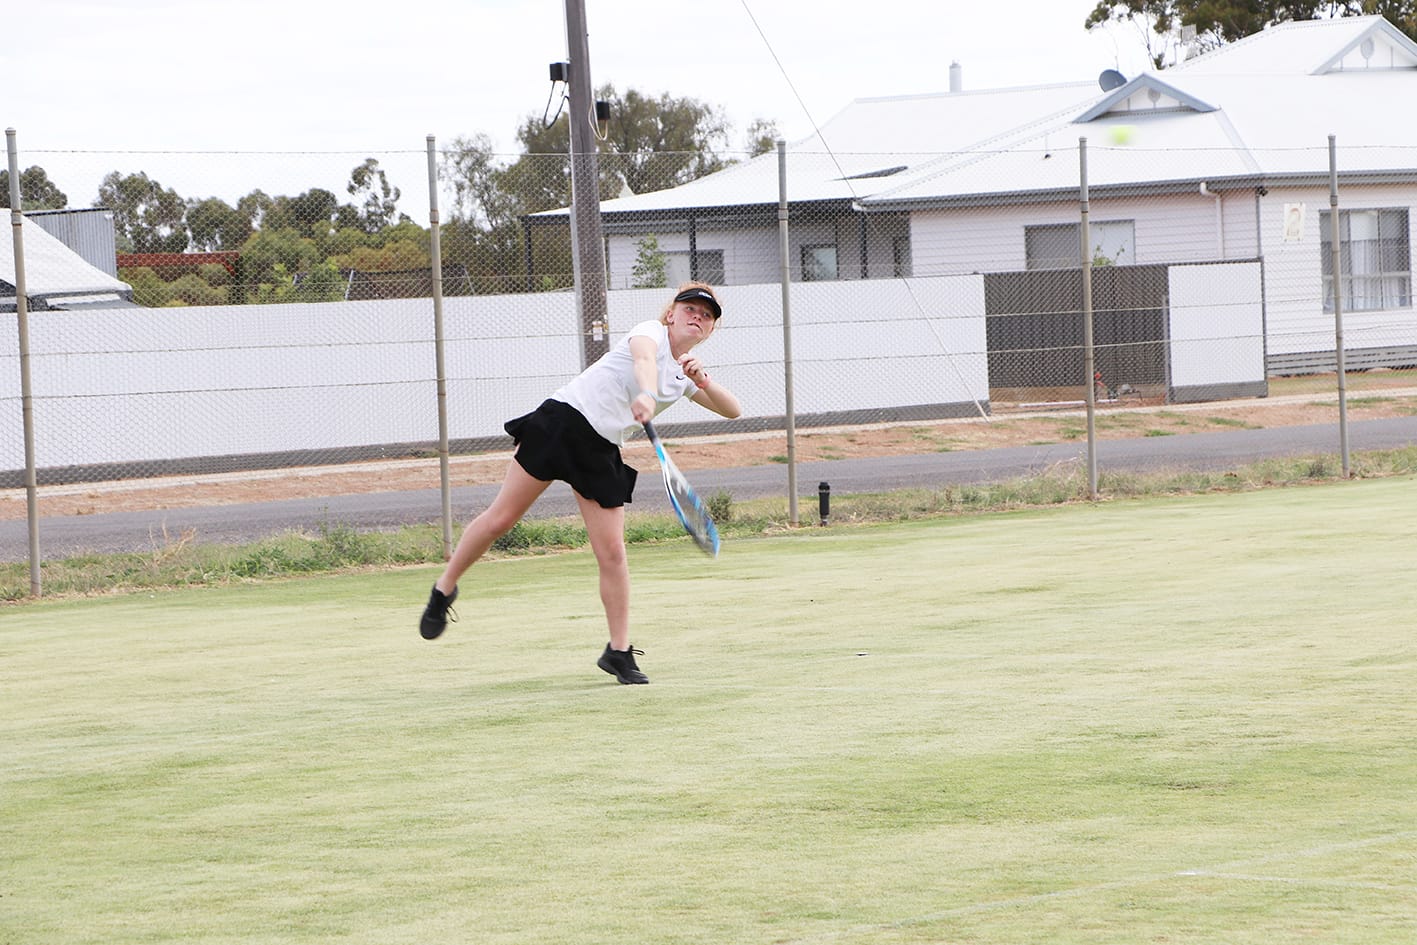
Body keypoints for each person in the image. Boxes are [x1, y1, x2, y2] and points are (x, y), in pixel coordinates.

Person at [418, 282, 742, 684]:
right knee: (501, 519)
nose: (697, 316)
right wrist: (645, 392)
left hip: (601, 448)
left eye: (707, 316)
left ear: (710, 330)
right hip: (564, 421)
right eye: (690, 308)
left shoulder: (685, 374)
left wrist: (704, 380)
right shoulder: (650, 332)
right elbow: (643, 360)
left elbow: (733, 411)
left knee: (613, 553)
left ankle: (618, 652)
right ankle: (443, 588)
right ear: (671, 314)